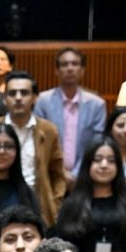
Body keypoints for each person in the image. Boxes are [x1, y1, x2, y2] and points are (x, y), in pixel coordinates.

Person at [0, 71, 68, 230]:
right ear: (4, 98)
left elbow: (57, 173)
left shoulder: (48, 130)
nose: (18, 98)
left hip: (38, 205)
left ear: (35, 97)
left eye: (24, 93)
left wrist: (55, 204)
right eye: (12, 93)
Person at [35, 48, 106, 176]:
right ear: (56, 71)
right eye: (64, 64)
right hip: (50, 175)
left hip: (85, 176)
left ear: (82, 70)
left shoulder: (97, 105)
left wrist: (76, 174)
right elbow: (39, 142)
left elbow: (96, 143)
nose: (69, 68)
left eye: (75, 64)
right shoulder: (42, 101)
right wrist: (61, 172)